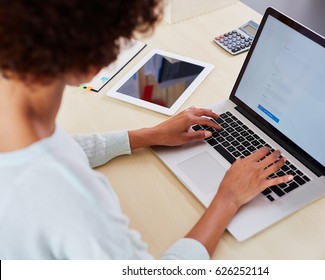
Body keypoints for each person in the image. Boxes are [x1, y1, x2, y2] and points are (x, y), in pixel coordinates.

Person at [0, 0, 292, 259]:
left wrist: (147, 136)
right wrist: (228, 199)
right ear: (89, 64)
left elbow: (57, 148)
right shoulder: (70, 197)